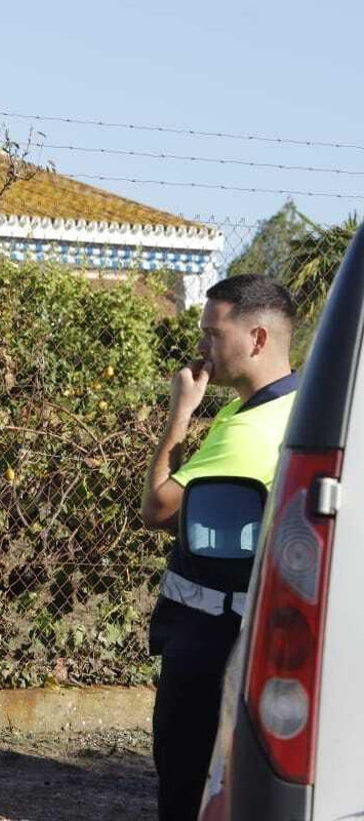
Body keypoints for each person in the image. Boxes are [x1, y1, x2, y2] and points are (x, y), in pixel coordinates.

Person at [139, 274, 297, 821]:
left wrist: (180, 412)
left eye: (212, 333)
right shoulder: (283, 407)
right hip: (247, 633)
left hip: (210, 643)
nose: (202, 345)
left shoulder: (247, 428)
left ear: (256, 339)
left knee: (185, 789)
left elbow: (158, 509)